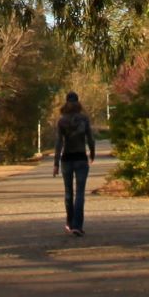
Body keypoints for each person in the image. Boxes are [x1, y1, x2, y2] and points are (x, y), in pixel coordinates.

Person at [52, 91, 96, 236]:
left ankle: (70, 223)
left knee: (68, 193)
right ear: (78, 103)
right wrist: (92, 153)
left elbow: (59, 142)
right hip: (80, 158)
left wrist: (56, 163)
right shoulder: (84, 119)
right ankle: (77, 225)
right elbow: (90, 138)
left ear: (66, 103)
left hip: (66, 159)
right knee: (80, 193)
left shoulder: (62, 121)